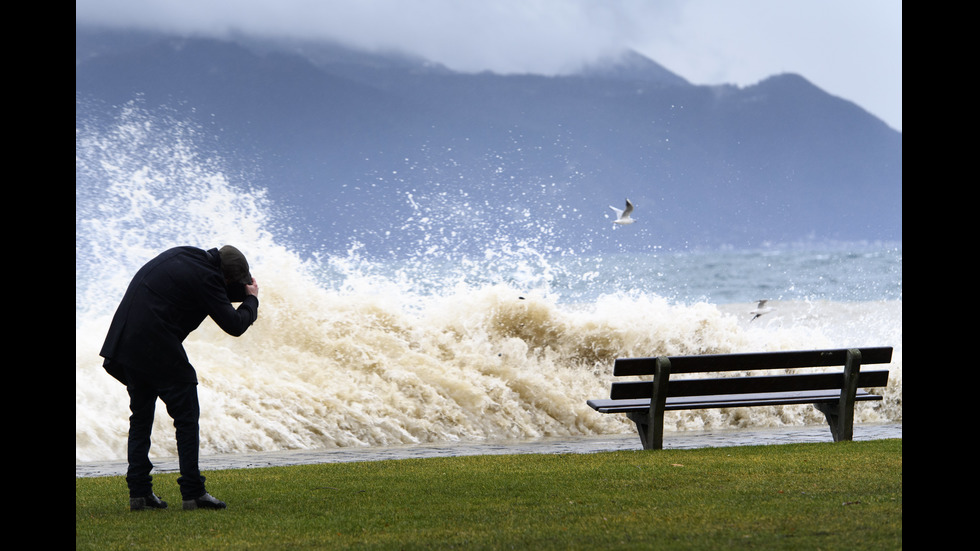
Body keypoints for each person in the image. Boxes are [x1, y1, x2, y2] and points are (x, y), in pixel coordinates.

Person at [100, 245, 259, 511]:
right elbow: (234, 324)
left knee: (141, 417)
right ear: (227, 277)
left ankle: (139, 494)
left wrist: (240, 291)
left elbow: (216, 295)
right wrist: (252, 300)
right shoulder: (207, 276)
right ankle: (193, 494)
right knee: (186, 418)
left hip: (127, 342)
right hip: (155, 342)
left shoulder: (186, 257)